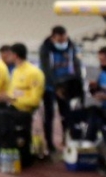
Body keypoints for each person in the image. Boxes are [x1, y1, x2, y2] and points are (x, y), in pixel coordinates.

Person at [39, 25, 82, 153]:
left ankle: (67, 140)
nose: (63, 42)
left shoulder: (71, 46)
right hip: (49, 86)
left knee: (67, 114)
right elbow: (46, 69)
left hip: (66, 85)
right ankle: (50, 144)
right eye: (59, 40)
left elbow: (77, 65)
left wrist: (77, 82)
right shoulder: (45, 49)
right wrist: (56, 86)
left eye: (64, 39)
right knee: (49, 115)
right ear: (53, 38)